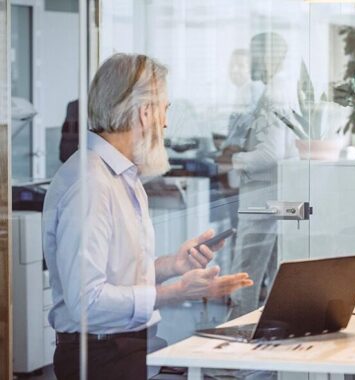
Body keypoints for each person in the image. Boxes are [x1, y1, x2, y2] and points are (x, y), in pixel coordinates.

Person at [43, 53, 254, 380]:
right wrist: (176, 292)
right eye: (165, 109)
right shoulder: (92, 184)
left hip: (129, 350)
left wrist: (172, 266)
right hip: (101, 359)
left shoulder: (122, 176)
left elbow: (117, 275)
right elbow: (87, 299)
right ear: (145, 113)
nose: (166, 123)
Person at [216, 32, 298, 319]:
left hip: (262, 201)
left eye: (255, 54)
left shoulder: (274, 93)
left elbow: (270, 154)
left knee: (244, 280)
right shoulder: (280, 89)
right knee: (274, 278)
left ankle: (233, 355)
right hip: (275, 198)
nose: (252, 62)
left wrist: (232, 160)